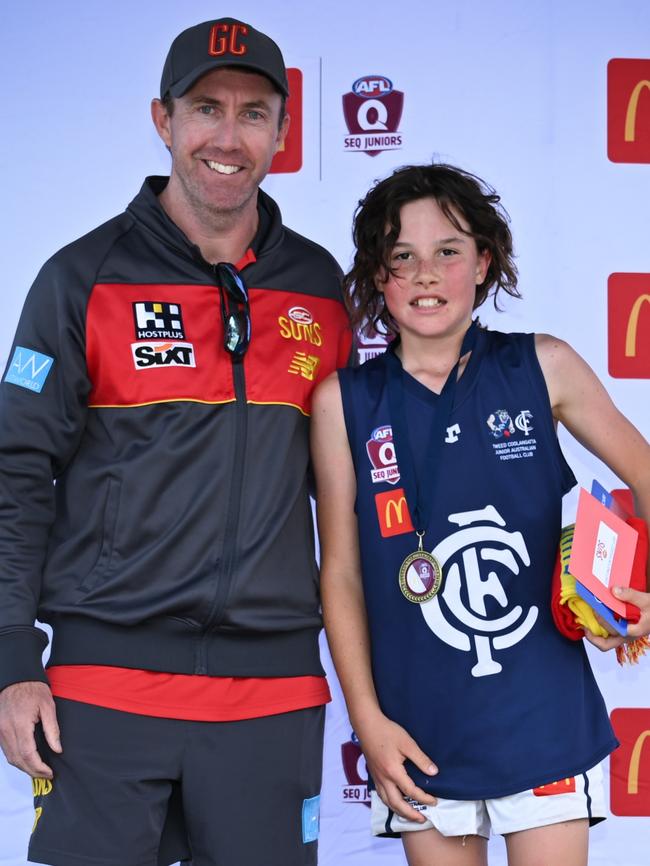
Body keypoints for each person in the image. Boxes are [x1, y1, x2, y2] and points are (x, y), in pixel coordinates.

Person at [0, 17, 350, 866]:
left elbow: (360, 495)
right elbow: (15, 472)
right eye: (205, 109)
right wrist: (12, 657)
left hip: (272, 693)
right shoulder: (81, 277)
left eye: (254, 113)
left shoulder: (320, 288)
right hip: (106, 686)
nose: (228, 138)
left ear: (284, 130)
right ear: (163, 120)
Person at [310, 163, 650, 866]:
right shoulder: (343, 400)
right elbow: (340, 573)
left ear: (484, 261)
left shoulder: (543, 366)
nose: (426, 275)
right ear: (378, 274)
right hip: (418, 731)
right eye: (402, 257)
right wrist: (367, 722)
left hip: (543, 719)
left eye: (448, 251)